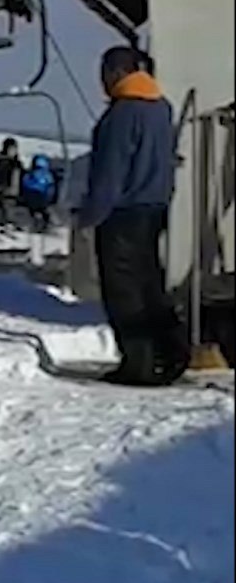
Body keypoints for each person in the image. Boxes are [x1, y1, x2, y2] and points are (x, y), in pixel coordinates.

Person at [73, 46, 189, 386]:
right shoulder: (161, 108)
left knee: (124, 292)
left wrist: (89, 216)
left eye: (104, 74)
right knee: (150, 283)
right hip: (154, 209)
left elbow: (109, 173)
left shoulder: (120, 116)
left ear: (116, 73)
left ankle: (139, 364)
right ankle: (172, 352)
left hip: (122, 214)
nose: (102, 82)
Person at [18, 152, 59, 233]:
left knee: (33, 211)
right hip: (42, 196)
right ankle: (45, 225)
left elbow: (25, 183)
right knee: (43, 211)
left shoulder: (30, 173)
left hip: (31, 196)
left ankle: (35, 224)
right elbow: (51, 186)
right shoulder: (47, 174)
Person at [0, 138, 22, 228]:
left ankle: (5, 224)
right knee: (3, 207)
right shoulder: (4, 161)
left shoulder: (14, 162)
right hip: (5, 189)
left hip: (11, 190)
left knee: (6, 208)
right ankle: (2, 224)